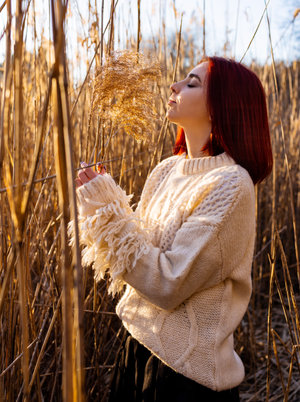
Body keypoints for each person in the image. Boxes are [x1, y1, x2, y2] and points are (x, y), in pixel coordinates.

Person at [73, 56, 273, 401]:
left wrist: (108, 213)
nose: (174, 86)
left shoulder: (231, 184)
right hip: (136, 345)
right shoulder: (166, 170)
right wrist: (110, 204)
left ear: (221, 106)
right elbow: (139, 249)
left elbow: (167, 283)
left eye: (192, 83)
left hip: (185, 377)